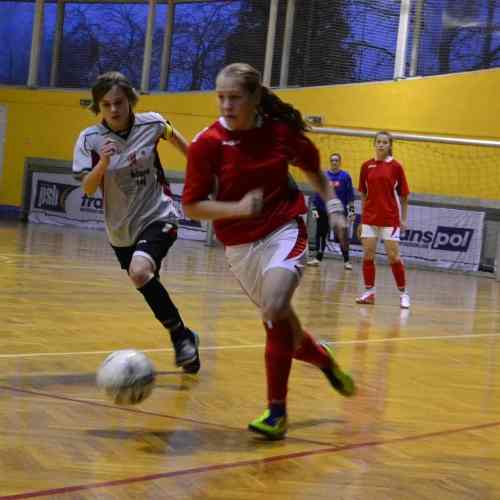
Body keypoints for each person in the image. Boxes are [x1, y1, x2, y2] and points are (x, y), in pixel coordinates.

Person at [182, 62, 356, 440]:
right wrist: (237, 209)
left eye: (234, 97)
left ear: (255, 97)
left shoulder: (280, 133)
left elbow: (315, 173)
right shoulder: (207, 143)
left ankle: (276, 412)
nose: (226, 105)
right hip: (239, 245)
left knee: (274, 308)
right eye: (220, 97)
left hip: (283, 228)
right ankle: (324, 360)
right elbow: (191, 206)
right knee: (286, 330)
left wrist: (335, 210)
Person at [72, 71, 200, 373]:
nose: (114, 109)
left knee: (139, 271)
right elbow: (88, 187)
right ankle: (185, 335)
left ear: (130, 100)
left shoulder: (152, 123)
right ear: (99, 107)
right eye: (106, 105)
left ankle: (180, 337)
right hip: (120, 231)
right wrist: (103, 163)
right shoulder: (90, 139)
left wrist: (206, 172)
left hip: (159, 214)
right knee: (143, 278)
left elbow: (183, 145)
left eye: (119, 102)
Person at [355, 131, 410, 309]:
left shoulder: (396, 167)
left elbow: (404, 196)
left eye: (385, 142)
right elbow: (363, 194)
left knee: (393, 257)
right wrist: (362, 218)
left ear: (390, 145)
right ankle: (369, 293)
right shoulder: (366, 166)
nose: (381, 145)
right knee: (368, 255)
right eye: (378, 141)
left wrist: (403, 219)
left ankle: (403, 294)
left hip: (390, 219)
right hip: (370, 218)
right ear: (374, 144)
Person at [307, 153, 355, 269]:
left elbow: (350, 196)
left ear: (340, 162)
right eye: (332, 160)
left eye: (336, 160)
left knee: (342, 236)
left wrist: (352, 212)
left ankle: (347, 261)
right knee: (320, 235)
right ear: (330, 162)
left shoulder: (345, 177)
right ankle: (317, 258)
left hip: (338, 212)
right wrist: (315, 212)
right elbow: (316, 196)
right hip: (322, 210)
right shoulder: (324, 176)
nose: (334, 162)